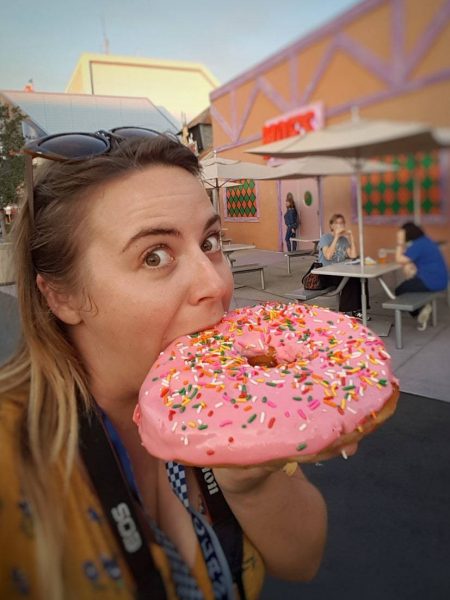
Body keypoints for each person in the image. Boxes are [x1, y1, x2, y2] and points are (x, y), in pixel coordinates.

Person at [0, 129, 352, 599]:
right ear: (62, 296)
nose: (215, 285)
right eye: (155, 256)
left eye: (210, 242)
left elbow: (302, 561)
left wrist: (249, 486)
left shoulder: (232, 393)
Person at [395, 221, 448, 331]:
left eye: (401, 233)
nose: (400, 235)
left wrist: (400, 243)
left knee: (399, 290)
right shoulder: (426, 241)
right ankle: (421, 306)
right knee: (410, 284)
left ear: (408, 233)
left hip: (431, 282)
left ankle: (419, 311)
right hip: (441, 279)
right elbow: (410, 261)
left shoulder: (418, 245)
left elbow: (400, 259)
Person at [318, 213, 370, 321]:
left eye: (342, 223)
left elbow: (353, 255)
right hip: (325, 275)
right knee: (350, 279)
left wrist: (351, 237)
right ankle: (345, 312)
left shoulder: (344, 240)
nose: (340, 225)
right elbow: (328, 256)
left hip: (339, 272)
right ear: (331, 225)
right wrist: (336, 237)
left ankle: (359, 309)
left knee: (361, 277)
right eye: (337, 223)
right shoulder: (325, 238)